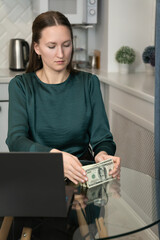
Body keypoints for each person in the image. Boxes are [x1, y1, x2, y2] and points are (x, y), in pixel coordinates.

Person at [6, 11, 120, 185]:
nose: (61, 54)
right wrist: (55, 158)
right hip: (37, 176)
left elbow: (102, 139)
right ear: (37, 48)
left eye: (66, 45)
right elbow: (16, 141)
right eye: (51, 46)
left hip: (83, 177)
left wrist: (103, 155)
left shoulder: (89, 83)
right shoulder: (21, 86)